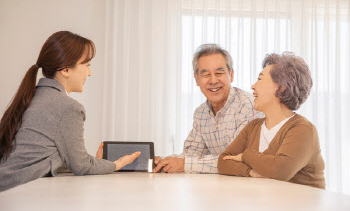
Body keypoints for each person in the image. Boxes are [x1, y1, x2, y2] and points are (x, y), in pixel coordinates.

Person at [0, 31, 140, 191]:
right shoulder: (68, 107)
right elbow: (81, 166)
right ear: (65, 70)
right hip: (15, 195)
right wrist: (117, 164)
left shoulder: (32, 97)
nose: (89, 73)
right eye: (86, 65)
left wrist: (95, 164)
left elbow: (52, 160)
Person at [217, 52, 325, 189]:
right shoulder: (253, 127)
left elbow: (279, 170)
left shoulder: (303, 129)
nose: (253, 86)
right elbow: (223, 162)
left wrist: (246, 155)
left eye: (260, 79)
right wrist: (250, 172)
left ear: (282, 86)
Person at [153, 44, 262, 173]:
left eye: (219, 73)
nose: (213, 80)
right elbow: (192, 155)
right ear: (197, 79)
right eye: (206, 75)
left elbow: (236, 159)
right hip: (220, 185)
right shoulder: (201, 113)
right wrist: (164, 161)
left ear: (231, 75)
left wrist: (184, 164)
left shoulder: (249, 107)